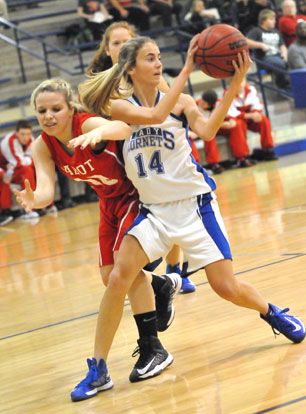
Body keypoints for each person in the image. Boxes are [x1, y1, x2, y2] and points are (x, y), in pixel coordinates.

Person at [74, 34, 305, 402]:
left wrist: (235, 83)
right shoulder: (120, 107)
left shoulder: (181, 102)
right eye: (150, 58)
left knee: (225, 287)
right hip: (153, 211)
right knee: (119, 275)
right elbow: (153, 115)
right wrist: (187, 68)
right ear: (132, 69)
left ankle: (271, 312)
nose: (158, 62)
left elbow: (209, 130)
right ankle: (98, 366)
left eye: (159, 56)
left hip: (194, 206)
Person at [13, 78, 182, 401]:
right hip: (108, 205)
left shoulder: (85, 123)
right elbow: (47, 190)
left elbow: (124, 129)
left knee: (120, 277)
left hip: (136, 195)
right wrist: (35, 201)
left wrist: (100, 132)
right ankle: (159, 287)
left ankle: (108, 364)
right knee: (111, 278)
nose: (48, 116)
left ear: (70, 108)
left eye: (55, 109)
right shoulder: (42, 145)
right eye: (42, 110)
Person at [88, 20, 196, 294]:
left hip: (158, 147)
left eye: (127, 41)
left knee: (167, 203)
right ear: (107, 49)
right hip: (123, 153)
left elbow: (169, 105)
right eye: (116, 43)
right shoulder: (99, 80)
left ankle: (174, 269)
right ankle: (148, 273)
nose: (122, 46)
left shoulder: (149, 73)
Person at [224, 77, 278, 161]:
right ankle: (242, 156)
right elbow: (231, 112)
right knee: (237, 125)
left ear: (245, 81)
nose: (240, 83)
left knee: (263, 119)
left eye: (242, 80)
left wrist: (256, 113)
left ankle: (268, 149)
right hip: (238, 118)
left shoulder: (251, 89)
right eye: (238, 81)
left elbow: (257, 103)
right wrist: (250, 115)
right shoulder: (227, 93)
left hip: (250, 117)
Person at [197, 89, 253, 171]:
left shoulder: (220, 103)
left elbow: (233, 116)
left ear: (210, 104)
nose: (201, 103)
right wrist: (221, 124)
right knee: (208, 133)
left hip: (219, 128)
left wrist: (231, 121)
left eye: (204, 103)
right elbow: (204, 124)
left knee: (239, 124)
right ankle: (214, 164)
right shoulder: (196, 105)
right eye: (201, 100)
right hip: (205, 129)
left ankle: (241, 158)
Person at [0, 119, 40, 219]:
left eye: (28, 134)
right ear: (16, 132)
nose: (25, 137)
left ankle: (44, 205)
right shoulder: (9, 141)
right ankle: (7, 211)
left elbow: (33, 159)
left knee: (38, 169)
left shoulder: (31, 139)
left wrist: (27, 160)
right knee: (8, 176)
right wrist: (27, 159)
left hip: (13, 169)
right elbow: (17, 162)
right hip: (5, 169)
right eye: (22, 134)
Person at [246, 8, 291, 90]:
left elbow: (282, 45)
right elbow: (246, 41)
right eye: (271, 19)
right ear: (263, 20)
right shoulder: (256, 31)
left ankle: (295, 84)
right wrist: (260, 45)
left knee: (292, 60)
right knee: (279, 64)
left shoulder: (276, 32)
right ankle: (282, 86)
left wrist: (285, 54)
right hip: (264, 58)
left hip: (278, 56)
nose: (274, 21)